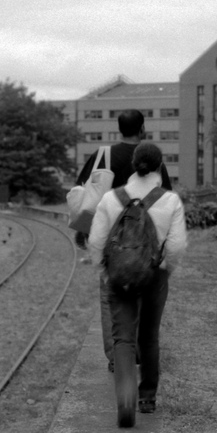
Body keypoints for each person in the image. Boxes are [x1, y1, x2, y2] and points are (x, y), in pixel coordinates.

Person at [87, 142, 187, 425]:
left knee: (123, 337)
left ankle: (126, 400)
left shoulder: (111, 198)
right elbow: (177, 245)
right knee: (149, 335)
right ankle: (147, 398)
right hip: (155, 274)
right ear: (159, 167)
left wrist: (105, 272)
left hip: (119, 276)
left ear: (133, 165)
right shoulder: (170, 200)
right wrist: (165, 269)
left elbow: (96, 242)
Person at [75, 109, 173, 372]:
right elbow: (166, 200)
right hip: (144, 242)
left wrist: (83, 232)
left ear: (119, 128)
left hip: (109, 243)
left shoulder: (103, 155)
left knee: (111, 297)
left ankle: (118, 356)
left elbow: (82, 193)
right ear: (142, 129)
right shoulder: (152, 158)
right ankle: (139, 350)